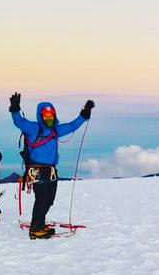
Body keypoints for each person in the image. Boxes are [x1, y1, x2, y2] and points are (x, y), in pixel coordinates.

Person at [9, 92, 95, 239]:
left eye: (51, 115)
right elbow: (19, 122)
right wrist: (15, 108)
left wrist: (84, 113)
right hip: (36, 170)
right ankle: (35, 229)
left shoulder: (56, 130)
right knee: (41, 198)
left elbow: (72, 125)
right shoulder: (33, 128)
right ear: (40, 116)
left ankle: (40, 224)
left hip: (51, 171)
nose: (49, 118)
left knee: (49, 199)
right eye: (45, 115)